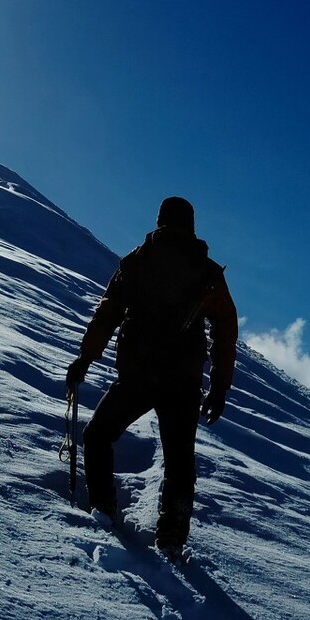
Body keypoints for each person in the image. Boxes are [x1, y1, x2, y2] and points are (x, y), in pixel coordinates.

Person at [66, 196, 238, 554]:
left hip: (138, 374)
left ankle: (104, 508)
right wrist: (219, 387)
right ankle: (171, 536)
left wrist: (85, 358)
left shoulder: (136, 262)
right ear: (191, 225)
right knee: (179, 459)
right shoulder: (206, 272)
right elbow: (225, 329)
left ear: (159, 220)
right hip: (183, 379)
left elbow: (108, 313)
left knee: (98, 435)